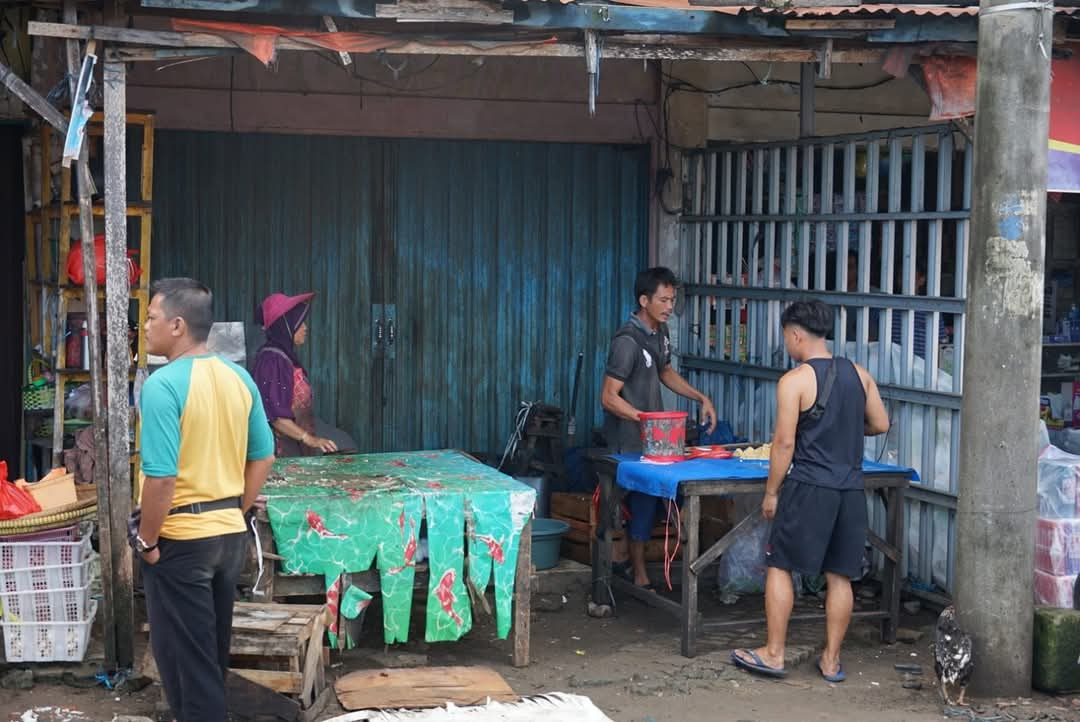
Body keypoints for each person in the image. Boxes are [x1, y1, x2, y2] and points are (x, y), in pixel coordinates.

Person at [135, 278, 276, 722]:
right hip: (227, 537)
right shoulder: (239, 377)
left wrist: (147, 541)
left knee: (187, 670)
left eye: (152, 317)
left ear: (177, 325)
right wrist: (235, 510)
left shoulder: (162, 386)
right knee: (209, 659)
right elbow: (264, 455)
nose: (145, 326)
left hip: (180, 541)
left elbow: (160, 480)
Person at [732, 299, 889, 682]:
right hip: (850, 490)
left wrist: (771, 492)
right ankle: (831, 660)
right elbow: (880, 423)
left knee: (781, 565)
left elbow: (784, 444)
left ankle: (773, 653)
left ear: (796, 333)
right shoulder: (859, 374)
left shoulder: (795, 381)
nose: (787, 343)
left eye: (786, 335)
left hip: (809, 489)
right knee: (841, 576)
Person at [601, 267, 717, 591]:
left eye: (672, 299)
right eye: (663, 300)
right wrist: (644, 418)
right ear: (644, 300)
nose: (669, 306)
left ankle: (635, 566)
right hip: (629, 443)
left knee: (655, 501)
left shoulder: (661, 333)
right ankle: (636, 573)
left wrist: (700, 397)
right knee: (642, 504)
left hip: (655, 443)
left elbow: (665, 372)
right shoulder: (627, 341)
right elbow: (608, 397)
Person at [252, 292, 337, 457]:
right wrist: (309, 439)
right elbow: (276, 417)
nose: (305, 328)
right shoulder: (272, 361)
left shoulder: (284, 358)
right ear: (286, 326)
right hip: (279, 454)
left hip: (294, 449)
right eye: (300, 323)